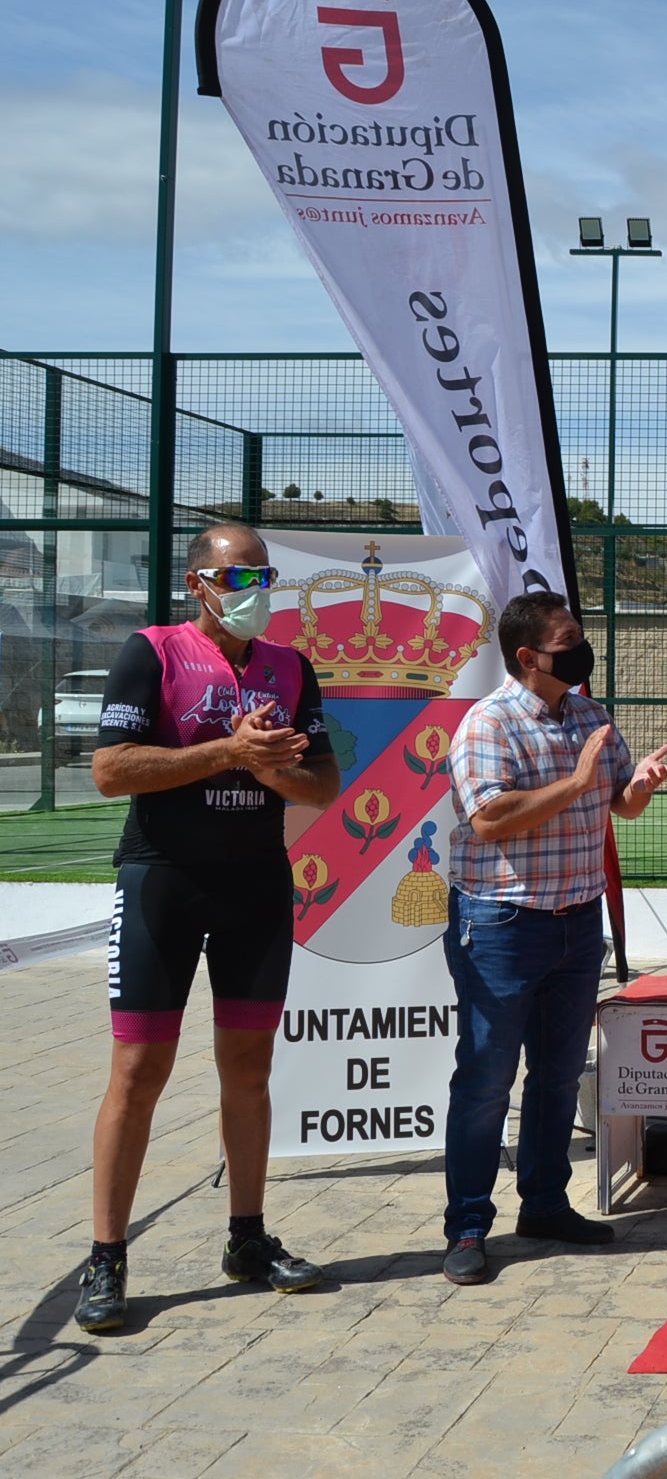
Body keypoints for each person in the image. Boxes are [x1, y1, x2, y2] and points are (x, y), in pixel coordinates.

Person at [78, 523, 342, 1332]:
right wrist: (230, 751)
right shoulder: (151, 652)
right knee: (137, 1073)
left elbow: (324, 785)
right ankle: (107, 1256)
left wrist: (272, 769)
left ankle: (247, 1238)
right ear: (199, 584)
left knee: (250, 1068)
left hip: (257, 884)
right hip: (163, 879)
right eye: (239, 576)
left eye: (264, 574)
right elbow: (110, 770)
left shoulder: (291, 666)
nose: (254, 589)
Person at [440, 591, 667, 1286]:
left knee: (558, 1078)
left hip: (578, 921)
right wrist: (577, 781)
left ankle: (544, 1204)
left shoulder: (592, 716)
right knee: (486, 1081)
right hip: (505, 925)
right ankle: (468, 1226)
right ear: (527, 657)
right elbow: (490, 820)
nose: (580, 648)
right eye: (566, 640)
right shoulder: (489, 723)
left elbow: (620, 805)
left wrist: (643, 786)